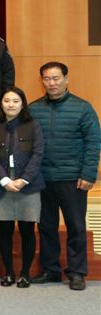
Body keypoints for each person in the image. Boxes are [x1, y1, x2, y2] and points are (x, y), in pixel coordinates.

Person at [28, 62, 100, 291]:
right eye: (47, 79)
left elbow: (93, 143)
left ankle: (77, 272)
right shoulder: (33, 109)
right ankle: (50, 270)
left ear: (66, 79)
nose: (52, 83)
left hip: (73, 178)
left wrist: (88, 174)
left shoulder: (83, 108)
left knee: (76, 227)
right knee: (46, 226)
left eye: (56, 78)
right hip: (43, 179)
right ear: (42, 81)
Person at [0, 87, 44, 288]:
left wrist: (24, 180)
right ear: (1, 103)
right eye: (7, 100)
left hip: (28, 185)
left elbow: (38, 154)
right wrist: (4, 180)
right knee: (5, 230)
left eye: (16, 101)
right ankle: (9, 272)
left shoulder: (33, 125)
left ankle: (25, 273)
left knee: (27, 230)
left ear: (23, 104)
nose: (11, 105)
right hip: (2, 186)